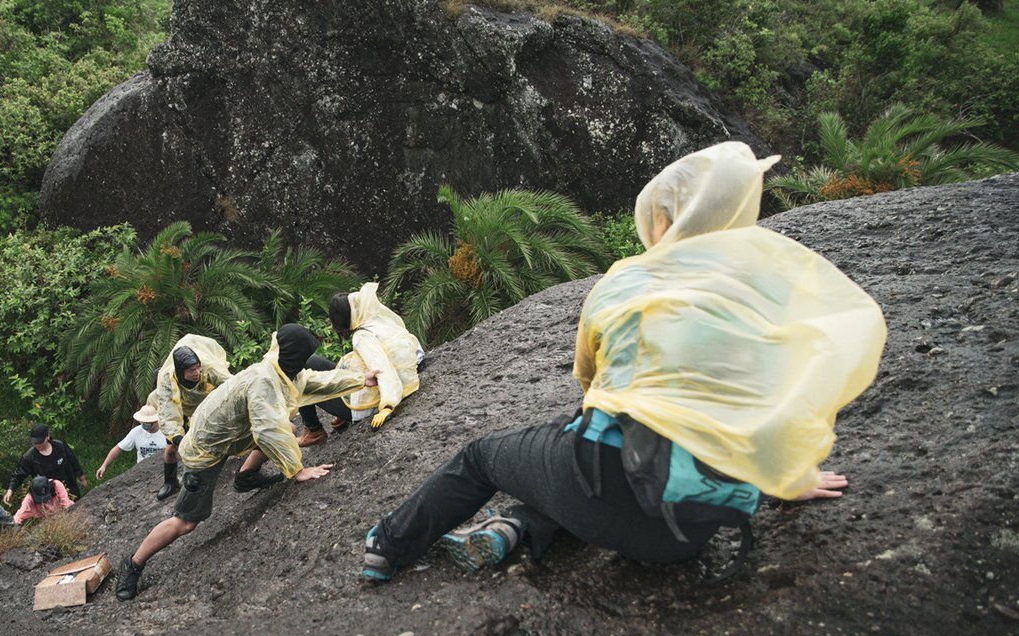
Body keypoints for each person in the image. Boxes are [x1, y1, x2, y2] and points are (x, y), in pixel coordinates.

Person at [360, 141, 887, 583]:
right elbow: (786, 400)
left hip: (606, 493)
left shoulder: (626, 283)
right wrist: (789, 477)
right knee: (575, 448)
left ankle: (387, 546)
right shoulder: (759, 293)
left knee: (494, 455)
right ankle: (516, 528)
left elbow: (590, 383)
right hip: (688, 534)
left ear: (662, 220)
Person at [116, 323, 382, 601]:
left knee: (288, 429)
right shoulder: (264, 382)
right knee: (185, 523)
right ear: (294, 356)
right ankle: (134, 563)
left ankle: (246, 475)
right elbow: (267, 432)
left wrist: (360, 379)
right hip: (205, 450)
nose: (305, 362)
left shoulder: (282, 369)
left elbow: (314, 381)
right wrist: (297, 470)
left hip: (236, 434)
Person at [298, 282, 423, 446]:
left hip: (369, 402)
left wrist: (387, 406)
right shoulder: (378, 320)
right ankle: (336, 417)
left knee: (300, 372)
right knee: (314, 362)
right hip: (390, 378)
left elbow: (383, 369)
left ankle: (314, 430)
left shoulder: (362, 337)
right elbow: (414, 352)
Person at [146, 335, 233, 500]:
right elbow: (168, 414)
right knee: (171, 449)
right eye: (191, 370)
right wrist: (180, 439)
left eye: (197, 368)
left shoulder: (208, 367)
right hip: (182, 409)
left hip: (208, 404)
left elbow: (230, 385)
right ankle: (170, 483)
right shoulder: (167, 380)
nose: (197, 373)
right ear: (180, 371)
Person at [95, 404, 171, 495]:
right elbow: (118, 448)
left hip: (161, 471)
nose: (144, 425)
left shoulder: (166, 433)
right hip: (142, 471)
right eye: (142, 422)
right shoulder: (136, 432)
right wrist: (104, 466)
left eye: (148, 423)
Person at [4, 424, 87, 506]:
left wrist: (82, 478)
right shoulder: (29, 457)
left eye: (40, 442)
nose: (38, 445)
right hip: (50, 495)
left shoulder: (60, 446)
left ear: (47, 436)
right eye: (35, 443)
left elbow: (73, 461)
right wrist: (10, 490)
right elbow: (18, 475)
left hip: (69, 488)